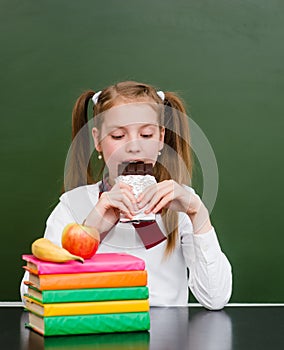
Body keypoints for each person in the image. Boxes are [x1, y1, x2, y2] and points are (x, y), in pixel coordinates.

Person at [20, 81, 232, 309]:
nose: (133, 147)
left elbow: (215, 299)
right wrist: (89, 232)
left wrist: (197, 213)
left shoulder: (181, 206)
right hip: (96, 330)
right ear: (97, 141)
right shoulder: (73, 206)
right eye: (118, 136)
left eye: (146, 134)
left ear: (161, 138)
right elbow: (30, 296)